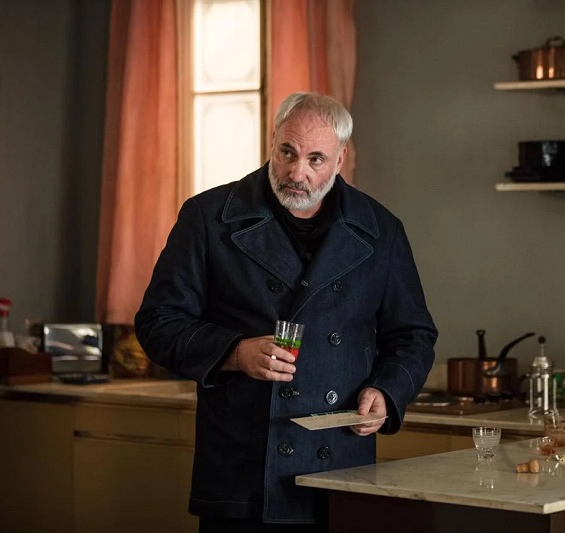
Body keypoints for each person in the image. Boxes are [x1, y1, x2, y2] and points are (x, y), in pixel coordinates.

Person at [135, 92, 437, 532]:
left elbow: (413, 335)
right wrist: (235, 353)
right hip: (243, 469)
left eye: (316, 159)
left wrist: (387, 392)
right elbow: (157, 322)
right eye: (288, 153)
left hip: (341, 465)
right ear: (272, 140)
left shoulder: (380, 229)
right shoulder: (208, 217)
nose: (298, 173)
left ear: (340, 159)